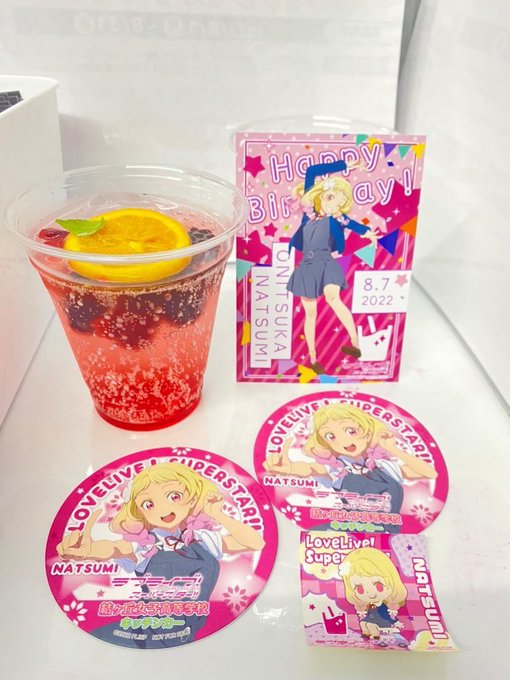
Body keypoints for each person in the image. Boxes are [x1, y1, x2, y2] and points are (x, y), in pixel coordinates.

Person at [57, 462, 265, 647]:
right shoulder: (143, 544)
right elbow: (114, 548)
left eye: (174, 496)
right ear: (139, 512)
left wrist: (218, 514)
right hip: (145, 634)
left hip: (192, 634)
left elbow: (255, 542)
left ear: (193, 496)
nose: (163, 509)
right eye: (148, 504)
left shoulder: (202, 539)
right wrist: (89, 551)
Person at [263, 403, 437, 532]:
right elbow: (309, 468)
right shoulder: (336, 469)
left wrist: (393, 449)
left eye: (351, 431)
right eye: (330, 436)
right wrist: (289, 468)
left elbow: (429, 472)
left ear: (367, 430)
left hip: (388, 533)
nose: (344, 441)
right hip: (349, 531)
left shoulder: (385, 466)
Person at [287, 159, 378, 371]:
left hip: (327, 262)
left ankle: (355, 344)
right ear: (321, 195)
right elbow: (312, 170)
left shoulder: (338, 219)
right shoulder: (308, 213)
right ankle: (313, 359)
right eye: (330, 198)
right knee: (311, 313)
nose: (333, 205)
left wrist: (368, 232)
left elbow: (354, 225)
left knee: (333, 298)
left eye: (338, 203)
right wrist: (345, 166)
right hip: (307, 266)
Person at [338, 546, 407, 641]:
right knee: (363, 623)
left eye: (379, 586)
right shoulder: (369, 605)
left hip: (383, 621)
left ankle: (375, 635)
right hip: (372, 620)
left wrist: (395, 622)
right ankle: (366, 633)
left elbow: (388, 616)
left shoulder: (385, 605)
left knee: (370, 624)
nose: (371, 594)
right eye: (360, 589)